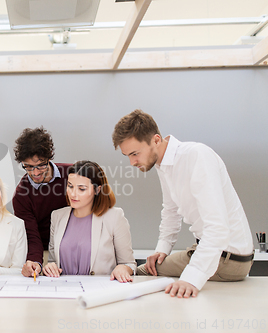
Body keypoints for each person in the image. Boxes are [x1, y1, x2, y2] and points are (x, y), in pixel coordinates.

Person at [112, 109, 254, 298]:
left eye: (135, 153)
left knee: (143, 274)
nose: (132, 162)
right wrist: (162, 250)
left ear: (155, 140)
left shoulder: (196, 156)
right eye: (127, 156)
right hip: (219, 252)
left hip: (228, 258)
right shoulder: (164, 165)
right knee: (150, 270)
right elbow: (171, 211)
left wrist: (191, 278)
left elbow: (218, 228)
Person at [44, 161, 136, 282]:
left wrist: (122, 268)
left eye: (81, 189)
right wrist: (50, 267)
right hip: (64, 290)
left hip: (99, 293)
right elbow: (53, 261)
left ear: (97, 190)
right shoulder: (57, 216)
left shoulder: (114, 217)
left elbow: (129, 263)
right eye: (70, 186)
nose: (73, 193)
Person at [12, 127, 71, 278]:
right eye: (29, 167)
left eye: (41, 165)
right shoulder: (21, 195)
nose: (35, 173)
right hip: (44, 251)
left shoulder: (72, 174)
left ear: (49, 158)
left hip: (75, 247)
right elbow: (32, 235)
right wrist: (36, 263)